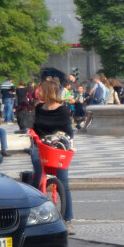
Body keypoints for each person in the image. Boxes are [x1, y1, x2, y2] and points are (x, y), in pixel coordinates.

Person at [30, 78, 75, 228]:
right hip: (41, 146)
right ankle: (33, 212)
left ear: (47, 92)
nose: (38, 92)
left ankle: (67, 220)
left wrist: (63, 140)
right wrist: (32, 134)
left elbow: (69, 131)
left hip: (57, 147)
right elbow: (35, 127)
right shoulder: (39, 108)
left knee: (63, 182)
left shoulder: (62, 109)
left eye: (40, 90)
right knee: (38, 177)